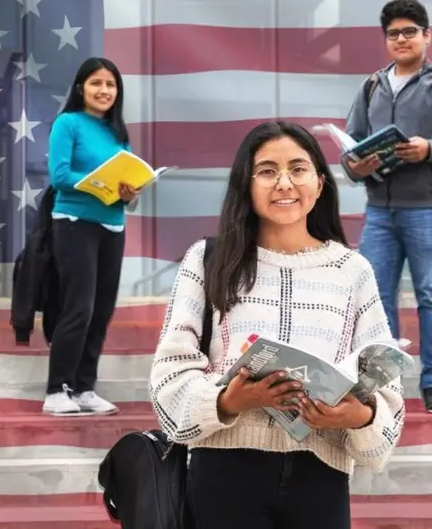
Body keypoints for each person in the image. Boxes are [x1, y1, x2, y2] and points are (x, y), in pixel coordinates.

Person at [148, 121, 406, 528]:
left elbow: (387, 393)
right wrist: (230, 401)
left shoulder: (353, 271)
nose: (284, 183)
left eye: (298, 169)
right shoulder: (207, 260)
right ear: (246, 186)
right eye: (267, 171)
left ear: (319, 184)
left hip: (321, 475)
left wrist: (358, 415)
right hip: (224, 472)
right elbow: (169, 374)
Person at [342, 0, 432, 414]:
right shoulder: (371, 86)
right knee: (376, 299)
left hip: (429, 207)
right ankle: (385, 383)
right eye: (393, 34)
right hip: (380, 211)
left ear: (427, 36)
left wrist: (430, 149)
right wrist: (356, 165)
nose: (400, 39)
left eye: (409, 32)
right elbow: (348, 151)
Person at [43, 57, 140, 416]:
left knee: (101, 310)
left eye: (111, 85)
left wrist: (130, 193)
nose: (104, 91)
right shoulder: (67, 123)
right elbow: (59, 176)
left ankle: (84, 388)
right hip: (74, 223)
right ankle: (57, 389)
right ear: (81, 87)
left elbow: (126, 192)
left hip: (112, 226)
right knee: (79, 308)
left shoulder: (118, 133)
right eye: (97, 83)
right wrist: (100, 184)